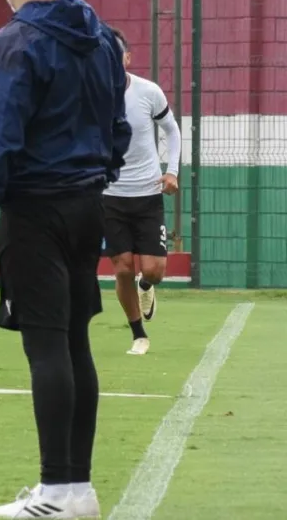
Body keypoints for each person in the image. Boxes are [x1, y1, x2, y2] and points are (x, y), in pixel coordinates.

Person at [0, 0, 132, 519]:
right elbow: (120, 125)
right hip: (88, 205)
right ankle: (75, 489)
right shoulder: (101, 36)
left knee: (47, 347)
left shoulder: (15, 41)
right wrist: (95, 173)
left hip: (35, 210)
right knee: (75, 341)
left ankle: (58, 490)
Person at [103, 27, 181, 356]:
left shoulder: (149, 92)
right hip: (109, 196)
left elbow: (172, 130)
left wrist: (172, 171)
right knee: (121, 266)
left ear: (127, 58)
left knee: (153, 270)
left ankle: (146, 286)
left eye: (116, 53)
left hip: (148, 194)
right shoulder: (89, 96)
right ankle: (138, 334)